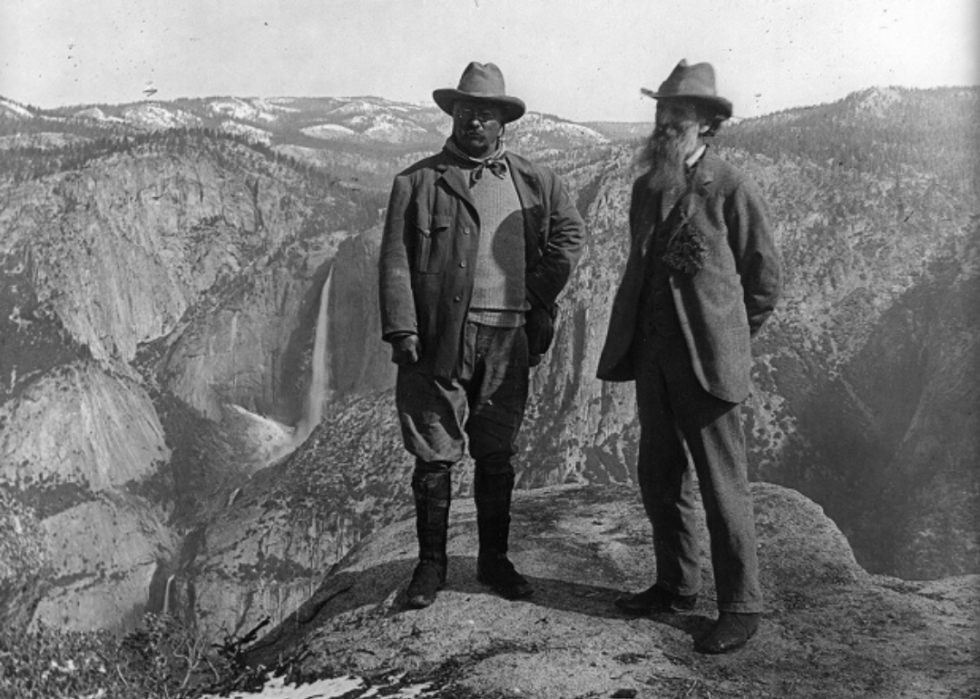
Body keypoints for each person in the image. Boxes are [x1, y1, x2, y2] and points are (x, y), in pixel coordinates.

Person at [379, 61, 585, 609]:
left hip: (509, 337)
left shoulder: (535, 181)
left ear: (503, 124)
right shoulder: (418, 182)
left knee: (496, 455)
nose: (474, 122)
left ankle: (494, 561)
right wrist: (402, 328)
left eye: (486, 115)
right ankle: (431, 568)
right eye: (466, 112)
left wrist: (537, 292)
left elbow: (569, 235)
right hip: (440, 338)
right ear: (454, 116)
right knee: (434, 453)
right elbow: (396, 259)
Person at [597, 60, 781, 654]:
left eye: (679, 115)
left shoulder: (731, 187)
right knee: (659, 475)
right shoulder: (647, 187)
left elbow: (764, 281)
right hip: (653, 358)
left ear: (707, 124)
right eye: (662, 113)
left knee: (723, 484)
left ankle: (742, 606)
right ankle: (676, 585)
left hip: (708, 363)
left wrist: (728, 337)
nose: (666, 123)